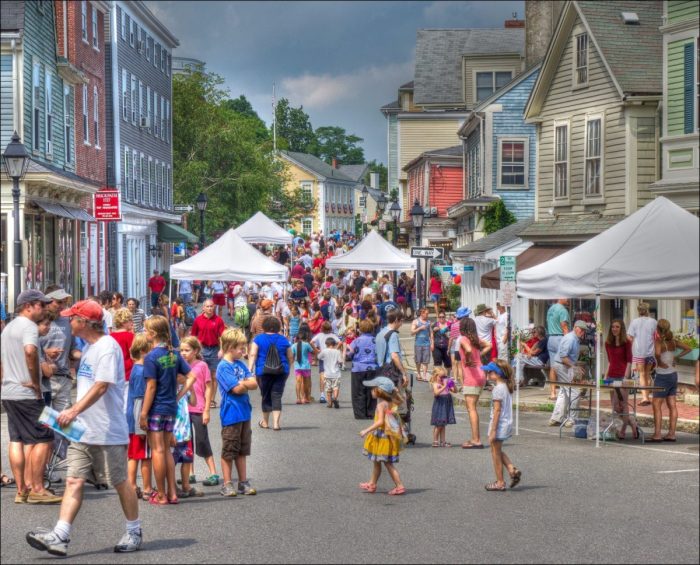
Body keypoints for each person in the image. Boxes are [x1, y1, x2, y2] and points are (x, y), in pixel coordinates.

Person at [26, 299, 142, 556]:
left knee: (121, 482)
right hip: (83, 430)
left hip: (107, 430)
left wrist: (74, 410)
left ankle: (134, 531)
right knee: (73, 480)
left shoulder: (107, 347)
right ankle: (60, 535)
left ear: (85, 322)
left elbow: (102, 385)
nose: (69, 321)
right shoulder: (89, 347)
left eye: (73, 318)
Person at [1, 289, 61, 504]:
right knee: (44, 437)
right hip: (26, 392)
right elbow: (29, 351)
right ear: (28, 306)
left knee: (17, 439)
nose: (44, 308)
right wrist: (36, 382)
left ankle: (21, 490)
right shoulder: (29, 327)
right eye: (41, 305)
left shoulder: (8, 328)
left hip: (9, 391)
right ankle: (36, 488)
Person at [140, 316, 195, 505]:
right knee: (166, 450)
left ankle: (162, 494)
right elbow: (191, 376)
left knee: (157, 450)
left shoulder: (151, 357)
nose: (144, 333)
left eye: (146, 330)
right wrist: (179, 396)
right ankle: (172, 492)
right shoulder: (174, 354)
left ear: (153, 333)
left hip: (156, 407)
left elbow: (151, 387)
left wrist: (143, 413)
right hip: (171, 406)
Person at [179, 337, 219, 487]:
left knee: (202, 441)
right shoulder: (179, 366)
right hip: (183, 411)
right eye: (181, 350)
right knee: (187, 442)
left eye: (187, 350)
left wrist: (207, 409)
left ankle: (213, 472)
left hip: (199, 409)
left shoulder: (202, 366)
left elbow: (209, 388)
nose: (183, 353)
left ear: (195, 351)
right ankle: (190, 473)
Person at [359, 376, 405, 496]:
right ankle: (372, 483)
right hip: (386, 436)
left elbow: (379, 422)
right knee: (377, 462)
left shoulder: (381, 405)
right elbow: (401, 401)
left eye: (373, 388)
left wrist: (366, 430)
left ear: (379, 391)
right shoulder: (390, 401)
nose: (371, 391)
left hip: (382, 437)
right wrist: (395, 391)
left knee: (387, 463)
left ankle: (399, 485)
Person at [648, 319, 692, 442]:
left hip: (662, 376)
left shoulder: (659, 342)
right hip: (673, 375)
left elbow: (657, 353)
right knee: (672, 405)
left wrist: (660, 362)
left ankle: (657, 434)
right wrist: (676, 357)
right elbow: (688, 348)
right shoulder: (673, 341)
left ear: (658, 329)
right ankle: (671, 433)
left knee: (656, 404)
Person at [248, 316, 293, 431]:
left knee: (266, 395)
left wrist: (250, 369)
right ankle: (276, 424)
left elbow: (253, 354)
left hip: (263, 371)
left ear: (264, 327)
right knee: (277, 395)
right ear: (278, 327)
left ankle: (265, 422)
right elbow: (290, 356)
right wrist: (288, 368)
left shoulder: (258, 339)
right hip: (281, 371)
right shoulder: (284, 340)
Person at [482, 360, 521, 491]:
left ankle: (500, 482)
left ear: (498, 374)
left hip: (499, 425)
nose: (487, 373)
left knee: (495, 453)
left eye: (490, 371)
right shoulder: (506, 387)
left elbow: (497, 410)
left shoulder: (498, 389)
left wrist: (493, 430)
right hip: (506, 423)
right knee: (496, 450)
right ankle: (511, 469)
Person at [125, 334, 153, 500]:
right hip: (139, 417)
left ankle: (132, 484)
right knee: (146, 456)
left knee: (133, 455)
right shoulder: (142, 371)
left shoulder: (135, 368)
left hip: (130, 417)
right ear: (144, 351)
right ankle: (147, 487)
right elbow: (141, 399)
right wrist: (142, 421)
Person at [549, 320, 588, 428]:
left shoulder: (573, 338)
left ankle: (556, 417)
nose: (583, 332)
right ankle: (572, 419)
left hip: (561, 365)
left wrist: (574, 365)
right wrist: (575, 367)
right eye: (581, 329)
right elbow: (563, 357)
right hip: (562, 365)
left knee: (564, 392)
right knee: (574, 392)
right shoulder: (571, 338)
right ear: (575, 327)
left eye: (584, 330)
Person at [459, 316, 491, 449]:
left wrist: (468, 358)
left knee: (471, 408)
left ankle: (476, 439)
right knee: (473, 407)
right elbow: (489, 345)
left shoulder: (464, 339)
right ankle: (475, 438)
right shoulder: (475, 339)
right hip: (481, 373)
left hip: (472, 376)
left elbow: (467, 350)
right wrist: (479, 356)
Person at [190, 299, 226, 408]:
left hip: (214, 349)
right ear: (203, 308)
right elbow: (193, 336)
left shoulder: (218, 320)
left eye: (211, 306)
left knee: (214, 376)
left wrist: (222, 350)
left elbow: (222, 337)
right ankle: (201, 398)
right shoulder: (198, 320)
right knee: (201, 375)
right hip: (202, 349)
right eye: (208, 306)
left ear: (214, 307)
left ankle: (211, 400)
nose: (210, 308)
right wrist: (194, 350)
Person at [627, 302, 658, 406]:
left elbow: (629, 337)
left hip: (639, 352)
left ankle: (644, 397)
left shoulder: (634, 322)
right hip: (650, 352)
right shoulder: (654, 322)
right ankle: (647, 396)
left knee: (641, 374)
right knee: (648, 374)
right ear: (647, 310)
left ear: (638, 311)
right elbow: (657, 337)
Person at [347, 319, 379, 419]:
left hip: (358, 368)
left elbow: (349, 354)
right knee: (371, 391)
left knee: (358, 392)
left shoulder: (356, 341)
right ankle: (371, 412)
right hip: (372, 368)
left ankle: (360, 414)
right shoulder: (375, 340)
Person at [375, 310, 409, 390]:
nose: (402, 324)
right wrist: (403, 373)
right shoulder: (393, 334)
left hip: (381, 371)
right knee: (396, 400)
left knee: (383, 399)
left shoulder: (381, 333)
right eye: (401, 321)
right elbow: (394, 356)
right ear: (396, 320)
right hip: (391, 372)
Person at [546, 299, 570, 401]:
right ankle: (564, 392)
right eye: (566, 297)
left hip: (551, 338)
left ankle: (552, 393)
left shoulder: (550, 309)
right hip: (560, 338)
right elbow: (564, 326)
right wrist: (568, 341)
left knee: (553, 367)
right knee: (564, 365)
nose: (568, 299)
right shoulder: (563, 310)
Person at [311, 321, 340, 404]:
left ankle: (322, 395)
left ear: (322, 328)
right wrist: (335, 349)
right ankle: (333, 395)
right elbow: (340, 342)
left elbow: (311, 342)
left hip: (323, 357)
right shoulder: (333, 335)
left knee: (322, 375)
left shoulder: (319, 335)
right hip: (331, 357)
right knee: (333, 375)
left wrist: (317, 350)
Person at [430, 367, 456, 447]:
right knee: (439, 424)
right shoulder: (435, 384)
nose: (442, 379)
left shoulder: (445, 383)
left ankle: (443, 441)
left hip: (446, 403)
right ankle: (435, 440)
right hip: (440, 404)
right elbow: (436, 393)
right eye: (441, 377)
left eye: (444, 377)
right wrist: (444, 386)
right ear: (435, 376)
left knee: (443, 423)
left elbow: (454, 391)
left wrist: (452, 383)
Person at [319, 337, 343, 409]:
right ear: (334, 344)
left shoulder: (324, 351)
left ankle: (329, 403)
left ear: (326, 344)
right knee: (336, 387)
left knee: (328, 389)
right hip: (336, 374)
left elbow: (319, 357)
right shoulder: (337, 352)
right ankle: (335, 398)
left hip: (327, 373)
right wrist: (340, 365)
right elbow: (340, 362)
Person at [292, 327, 314, 405]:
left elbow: (292, 356)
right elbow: (312, 352)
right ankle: (305, 397)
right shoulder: (307, 344)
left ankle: (298, 398)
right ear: (305, 338)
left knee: (298, 382)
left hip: (297, 366)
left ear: (296, 338)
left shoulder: (294, 345)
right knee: (306, 383)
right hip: (306, 366)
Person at [411, 308, 433, 382]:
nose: (427, 315)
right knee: (418, 360)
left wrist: (432, 343)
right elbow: (412, 332)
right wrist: (420, 328)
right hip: (418, 344)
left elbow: (431, 333)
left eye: (428, 313)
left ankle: (424, 375)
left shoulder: (428, 322)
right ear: (422, 313)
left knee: (425, 361)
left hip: (427, 344)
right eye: (426, 313)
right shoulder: (416, 321)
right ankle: (418, 373)